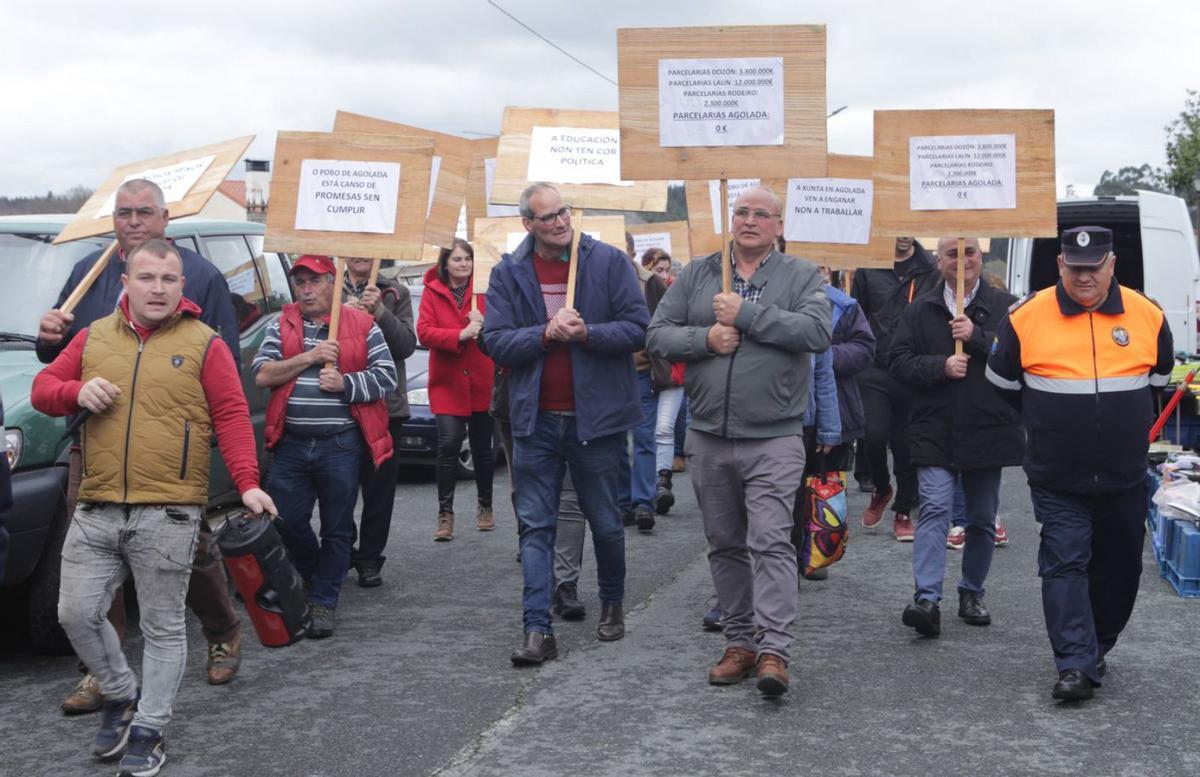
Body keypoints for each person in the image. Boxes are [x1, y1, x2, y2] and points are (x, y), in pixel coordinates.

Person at [31, 239, 276, 776]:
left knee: (164, 628)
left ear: (182, 286)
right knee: (74, 613)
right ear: (126, 282)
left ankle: (149, 728)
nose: (158, 288)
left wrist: (248, 482)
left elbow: (233, 415)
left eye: (169, 279)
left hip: (168, 511)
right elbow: (42, 388)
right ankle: (120, 694)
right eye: (147, 278)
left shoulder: (204, 343)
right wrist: (76, 391)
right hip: (96, 506)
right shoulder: (93, 336)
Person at [36, 179, 246, 710]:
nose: (133, 221)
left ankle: (221, 630)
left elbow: (225, 376)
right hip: (98, 444)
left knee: (190, 553)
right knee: (97, 557)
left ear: (166, 219)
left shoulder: (201, 275)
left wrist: (228, 465)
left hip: (171, 454)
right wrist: (48, 336)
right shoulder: (88, 274)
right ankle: (101, 671)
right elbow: (56, 367)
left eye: (144, 213)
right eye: (124, 212)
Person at [647, 186, 832, 698]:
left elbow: (817, 332)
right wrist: (704, 339)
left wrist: (746, 316)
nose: (750, 220)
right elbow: (656, 334)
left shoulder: (799, 275)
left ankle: (775, 650)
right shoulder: (698, 272)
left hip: (773, 437)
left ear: (778, 224)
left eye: (761, 214)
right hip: (707, 435)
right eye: (742, 212)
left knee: (770, 542)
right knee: (725, 545)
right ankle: (739, 643)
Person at [987, 226, 1173, 702]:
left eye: (1094, 267)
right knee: (1065, 563)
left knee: (1121, 568)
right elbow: (1003, 385)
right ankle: (1073, 663)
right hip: (1057, 476)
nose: (1084, 276)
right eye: (1075, 267)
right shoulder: (1027, 316)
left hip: (1124, 475)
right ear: (1060, 266)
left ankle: (1097, 645)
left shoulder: (1148, 315)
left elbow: (1158, 381)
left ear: (1112, 265)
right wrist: (1050, 426)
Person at [483, 183, 649, 666]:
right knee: (535, 527)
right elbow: (495, 341)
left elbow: (640, 329)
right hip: (534, 421)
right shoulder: (509, 272)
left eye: (563, 213)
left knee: (605, 521)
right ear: (527, 225)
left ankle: (613, 602)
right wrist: (545, 333)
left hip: (596, 420)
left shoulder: (608, 262)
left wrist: (588, 333)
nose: (559, 222)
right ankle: (537, 629)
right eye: (548, 217)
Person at [253, 255, 397, 638]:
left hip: (340, 445)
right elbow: (263, 374)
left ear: (332, 283)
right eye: (299, 281)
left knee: (337, 528)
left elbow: (387, 378)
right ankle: (317, 571)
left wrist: (345, 384)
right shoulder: (281, 323)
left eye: (314, 281)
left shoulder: (363, 325)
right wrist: (309, 357)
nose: (306, 289)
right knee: (286, 519)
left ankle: (323, 600)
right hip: (291, 444)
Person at [889, 237, 1024, 637]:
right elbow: (897, 361)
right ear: (938, 261)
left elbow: (1022, 358)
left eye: (970, 253)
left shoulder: (1007, 307)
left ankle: (972, 591)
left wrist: (978, 336)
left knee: (982, 518)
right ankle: (926, 598)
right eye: (952, 254)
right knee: (934, 507)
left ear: (981, 258)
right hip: (935, 426)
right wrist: (940, 366)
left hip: (988, 425)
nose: (962, 261)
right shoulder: (920, 309)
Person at [851, 237, 940, 540]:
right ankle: (882, 487)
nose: (902, 234)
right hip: (875, 369)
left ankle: (904, 510)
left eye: (909, 228)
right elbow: (857, 314)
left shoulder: (931, 268)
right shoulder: (868, 267)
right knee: (873, 435)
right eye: (896, 227)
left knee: (907, 445)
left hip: (913, 368)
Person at [342, 257, 416, 587]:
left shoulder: (395, 291)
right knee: (339, 487)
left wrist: (379, 313)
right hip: (341, 403)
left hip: (387, 406)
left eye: (367, 248)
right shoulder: (328, 288)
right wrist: (343, 314)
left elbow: (405, 346)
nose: (360, 255)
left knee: (379, 489)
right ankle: (343, 548)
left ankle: (370, 558)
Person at [418, 240, 496, 540]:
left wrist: (484, 323)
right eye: (457, 259)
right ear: (445, 263)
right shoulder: (432, 291)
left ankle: (485, 505)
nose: (463, 264)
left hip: (481, 380)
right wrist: (459, 334)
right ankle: (445, 512)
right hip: (447, 381)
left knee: (482, 448)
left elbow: (502, 326)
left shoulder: (485, 290)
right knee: (448, 444)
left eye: (468, 259)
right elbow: (424, 332)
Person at [643, 248, 685, 516]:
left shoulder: (678, 295)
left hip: (673, 371)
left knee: (664, 428)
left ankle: (662, 481)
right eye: (658, 270)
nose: (664, 275)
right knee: (644, 433)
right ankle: (645, 487)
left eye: (666, 270)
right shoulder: (640, 292)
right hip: (646, 371)